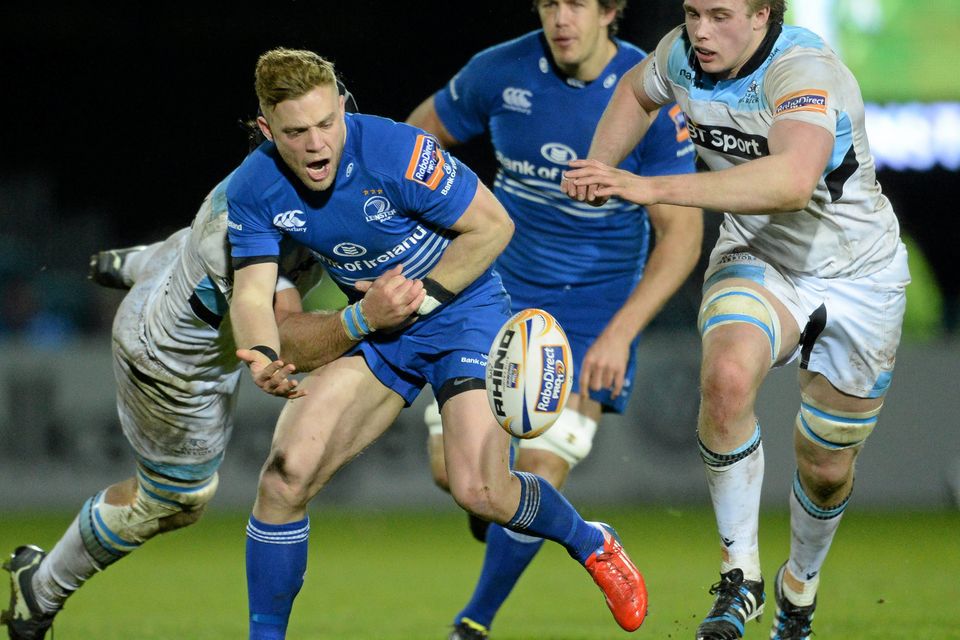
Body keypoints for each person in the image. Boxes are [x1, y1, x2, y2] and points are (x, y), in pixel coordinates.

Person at [227, 47, 648, 639]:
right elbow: (251, 295)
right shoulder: (252, 188)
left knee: (481, 491)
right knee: (284, 476)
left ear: (344, 108)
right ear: (267, 130)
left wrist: (414, 300)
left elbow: (494, 225)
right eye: (297, 133)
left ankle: (591, 541)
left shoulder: (397, 150)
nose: (318, 144)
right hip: (380, 324)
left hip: (463, 314)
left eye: (327, 123)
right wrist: (263, 354)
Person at [563, 1, 910, 638]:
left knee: (827, 467)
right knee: (725, 379)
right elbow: (636, 94)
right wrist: (600, 166)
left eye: (720, 15)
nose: (700, 29)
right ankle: (740, 576)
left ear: (761, 16)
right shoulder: (681, 54)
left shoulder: (802, 72)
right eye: (693, 11)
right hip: (759, 256)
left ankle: (797, 588)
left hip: (860, 276)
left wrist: (652, 187)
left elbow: (793, 182)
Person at [0, 163, 421, 639]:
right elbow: (284, 335)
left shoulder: (261, 179)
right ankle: (41, 587)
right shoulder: (252, 233)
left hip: (173, 273)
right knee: (174, 501)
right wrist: (363, 318)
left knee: (188, 253)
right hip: (172, 364)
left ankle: (140, 262)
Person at [405, 1, 702, 637]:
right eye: (548, 3)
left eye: (576, 3)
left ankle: (473, 622)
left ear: (610, 10)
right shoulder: (499, 71)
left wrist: (621, 333)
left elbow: (681, 236)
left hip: (593, 309)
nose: (560, 18)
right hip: (495, 296)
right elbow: (415, 143)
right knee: (458, 477)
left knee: (541, 465)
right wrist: (434, 235)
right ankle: (503, 509)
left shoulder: (647, 94)